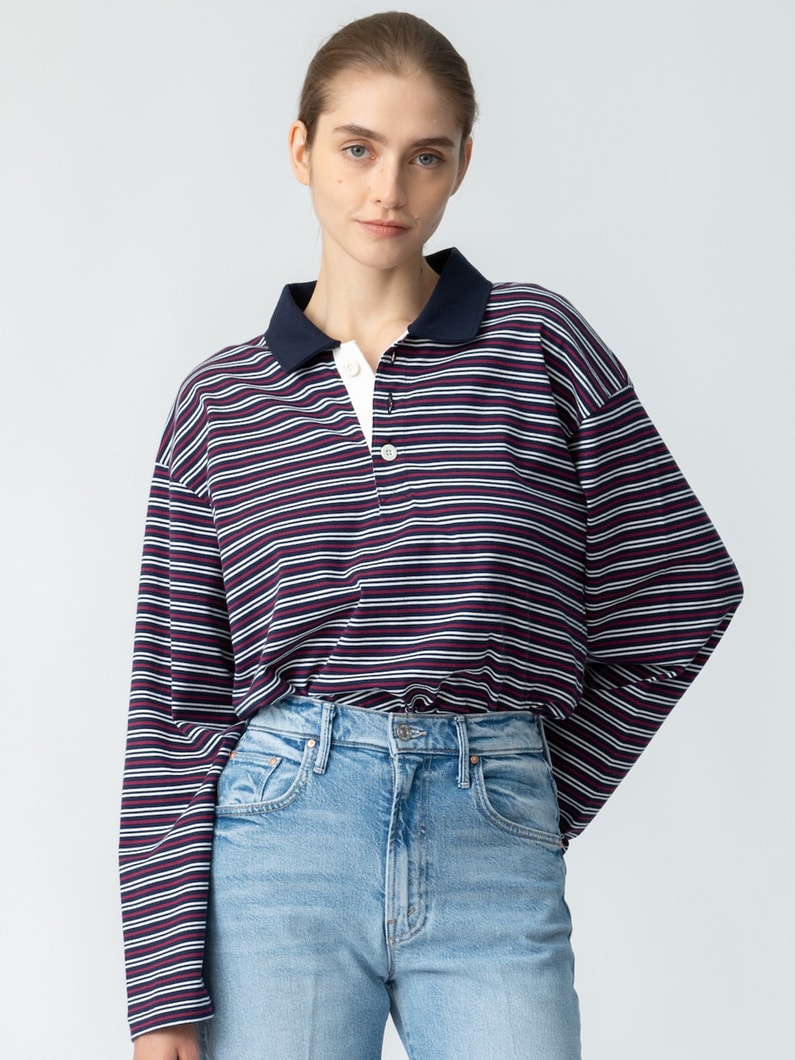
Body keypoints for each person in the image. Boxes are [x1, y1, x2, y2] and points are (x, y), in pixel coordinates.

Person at [120, 12, 742, 1060]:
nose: (387, 190)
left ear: (461, 165)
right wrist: (162, 994)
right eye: (357, 148)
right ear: (301, 149)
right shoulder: (220, 403)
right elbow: (176, 703)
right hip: (280, 845)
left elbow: (682, 589)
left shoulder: (539, 344)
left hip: (492, 841)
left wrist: (528, 784)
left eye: (425, 156)